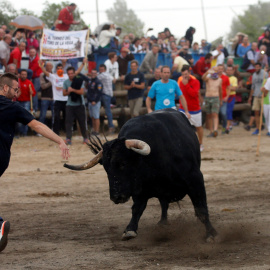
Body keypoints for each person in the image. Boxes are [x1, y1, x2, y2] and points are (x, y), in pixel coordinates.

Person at [0, 73, 70, 253]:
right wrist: (59, 141)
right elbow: (37, 125)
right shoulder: (13, 107)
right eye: (15, 90)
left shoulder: (13, 105)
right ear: (5, 88)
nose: (17, 94)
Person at [39, 59, 86, 135]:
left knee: (66, 117)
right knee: (56, 117)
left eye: (61, 68)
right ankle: (56, 132)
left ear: (63, 69)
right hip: (57, 100)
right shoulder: (53, 76)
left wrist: (83, 64)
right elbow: (45, 72)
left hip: (66, 99)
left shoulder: (66, 76)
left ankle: (66, 131)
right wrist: (41, 65)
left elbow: (77, 72)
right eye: (58, 68)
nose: (59, 70)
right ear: (56, 69)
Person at [178, 65, 203, 151]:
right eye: (183, 74)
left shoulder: (196, 82)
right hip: (183, 109)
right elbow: (181, 96)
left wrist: (187, 85)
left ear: (189, 73)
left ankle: (200, 144)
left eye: (186, 74)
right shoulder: (181, 82)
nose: (185, 76)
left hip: (195, 109)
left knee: (198, 127)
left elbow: (193, 94)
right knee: (182, 128)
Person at [63, 67, 88, 145]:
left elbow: (81, 92)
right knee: (68, 122)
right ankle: (68, 138)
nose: (70, 75)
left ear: (74, 73)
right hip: (70, 104)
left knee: (82, 122)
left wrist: (72, 90)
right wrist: (68, 91)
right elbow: (64, 93)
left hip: (80, 104)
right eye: (69, 74)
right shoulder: (66, 82)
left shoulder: (79, 81)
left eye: (71, 73)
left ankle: (85, 138)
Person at [248, 63, 268, 135]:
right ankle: (257, 128)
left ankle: (267, 128)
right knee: (256, 112)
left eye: (258, 67)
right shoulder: (254, 75)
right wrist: (250, 97)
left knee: (265, 113)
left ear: (260, 67)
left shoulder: (264, 74)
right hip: (256, 95)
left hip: (264, 95)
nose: (256, 68)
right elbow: (252, 86)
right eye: (255, 67)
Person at [202, 68, 222, 137]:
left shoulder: (219, 80)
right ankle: (211, 130)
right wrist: (207, 72)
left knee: (215, 113)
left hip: (215, 97)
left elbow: (220, 90)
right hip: (208, 97)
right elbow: (203, 78)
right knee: (209, 114)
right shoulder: (208, 78)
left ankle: (215, 129)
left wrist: (221, 99)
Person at [17, 69, 36, 136]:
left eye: (25, 74)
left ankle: (24, 133)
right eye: (22, 74)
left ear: (27, 75)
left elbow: (33, 93)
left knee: (25, 118)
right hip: (18, 102)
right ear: (20, 75)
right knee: (18, 118)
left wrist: (32, 92)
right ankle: (20, 132)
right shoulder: (17, 82)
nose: (23, 76)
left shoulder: (29, 83)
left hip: (26, 102)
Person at [84, 69, 103, 135]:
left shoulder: (98, 82)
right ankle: (94, 130)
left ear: (96, 74)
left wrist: (95, 101)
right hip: (90, 101)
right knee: (92, 117)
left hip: (95, 102)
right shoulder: (90, 81)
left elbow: (99, 93)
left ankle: (97, 131)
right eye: (92, 73)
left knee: (96, 117)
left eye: (95, 73)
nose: (93, 74)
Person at [97, 64, 115, 134]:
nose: (101, 70)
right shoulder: (108, 74)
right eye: (100, 69)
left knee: (107, 111)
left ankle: (111, 127)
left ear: (104, 69)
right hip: (107, 94)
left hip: (105, 94)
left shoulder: (103, 75)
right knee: (107, 111)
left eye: (102, 69)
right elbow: (113, 79)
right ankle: (110, 127)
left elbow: (95, 77)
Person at [39, 62, 54, 127]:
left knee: (55, 115)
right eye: (47, 66)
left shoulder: (55, 75)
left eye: (50, 66)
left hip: (53, 98)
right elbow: (43, 86)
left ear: (52, 67)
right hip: (45, 97)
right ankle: (40, 130)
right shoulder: (42, 75)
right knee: (43, 114)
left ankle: (54, 129)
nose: (48, 67)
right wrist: (51, 82)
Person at [217, 64, 230, 133]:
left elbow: (229, 87)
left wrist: (227, 96)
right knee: (216, 114)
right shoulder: (214, 77)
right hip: (216, 98)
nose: (220, 70)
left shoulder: (225, 77)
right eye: (219, 68)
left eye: (221, 69)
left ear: (223, 70)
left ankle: (224, 127)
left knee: (223, 113)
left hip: (224, 98)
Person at [225, 65, 238, 133]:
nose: (229, 71)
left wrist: (227, 87)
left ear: (233, 71)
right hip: (224, 96)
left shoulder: (234, 78)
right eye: (228, 70)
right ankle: (227, 124)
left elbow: (234, 88)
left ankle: (228, 125)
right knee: (224, 111)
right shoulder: (224, 77)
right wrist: (229, 87)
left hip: (231, 96)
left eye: (230, 70)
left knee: (229, 111)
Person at [261, 68, 270, 136]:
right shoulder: (266, 80)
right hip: (266, 101)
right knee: (266, 116)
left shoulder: (268, 80)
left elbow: (266, 92)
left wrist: (264, 90)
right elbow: (265, 92)